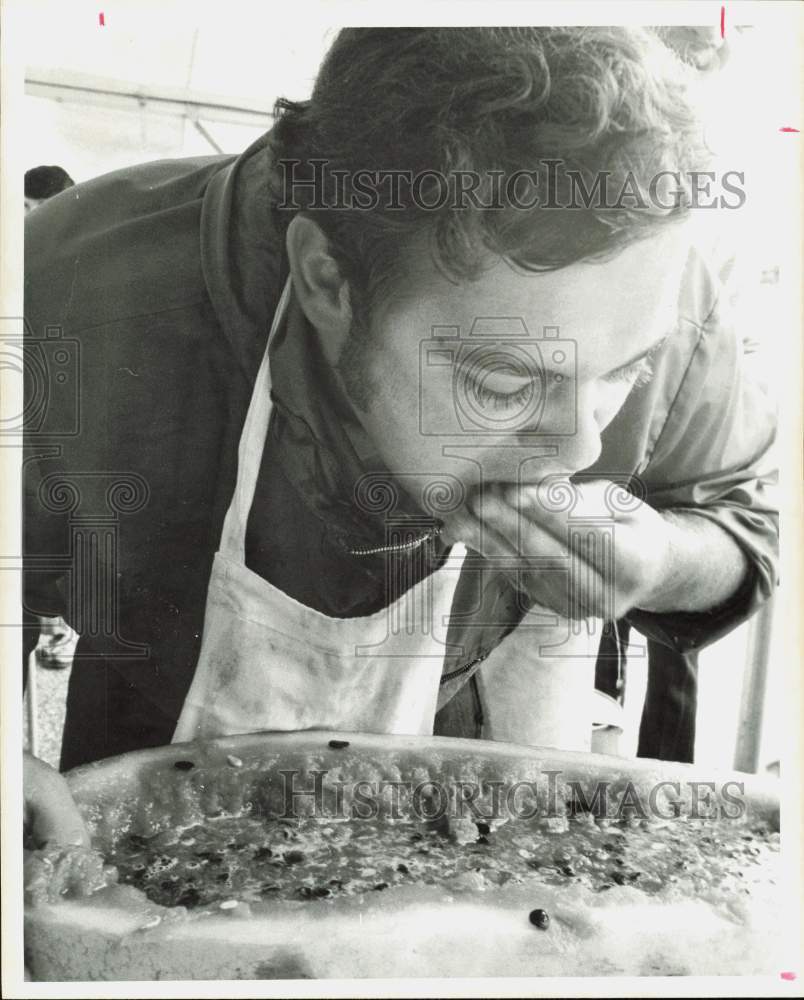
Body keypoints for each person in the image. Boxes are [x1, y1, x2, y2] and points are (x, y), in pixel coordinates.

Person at [22, 27, 778, 846]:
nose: (576, 452)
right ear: (325, 281)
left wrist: (661, 560)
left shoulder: (662, 287)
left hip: (491, 842)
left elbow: (746, 523)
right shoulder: (67, 297)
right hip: (143, 826)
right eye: (504, 382)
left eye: (623, 372)